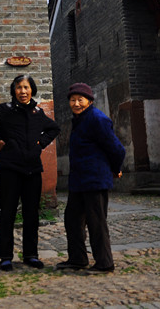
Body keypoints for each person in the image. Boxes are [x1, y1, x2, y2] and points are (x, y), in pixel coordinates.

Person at [0, 74, 60, 271]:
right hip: (10, 168)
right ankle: (5, 256)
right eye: (19, 87)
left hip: (33, 169)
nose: (23, 91)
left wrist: (40, 144)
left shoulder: (38, 112)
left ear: (32, 90)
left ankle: (31, 255)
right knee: (8, 213)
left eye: (26, 87)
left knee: (32, 214)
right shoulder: (5, 110)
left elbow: (54, 128)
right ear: (14, 90)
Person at [56, 82, 125, 274]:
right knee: (72, 220)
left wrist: (115, 168)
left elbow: (117, 149)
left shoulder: (97, 119)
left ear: (89, 101)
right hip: (79, 181)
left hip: (95, 180)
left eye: (80, 100)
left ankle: (105, 263)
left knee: (96, 222)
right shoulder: (79, 120)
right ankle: (77, 259)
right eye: (72, 100)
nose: (76, 104)